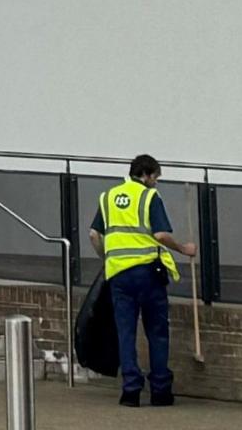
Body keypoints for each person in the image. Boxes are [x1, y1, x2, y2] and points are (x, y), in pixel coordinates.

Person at [89, 154, 194, 407]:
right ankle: (160, 391)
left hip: (119, 276)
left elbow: (94, 234)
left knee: (125, 333)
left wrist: (108, 257)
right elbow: (160, 234)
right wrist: (183, 248)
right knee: (157, 332)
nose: (156, 183)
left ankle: (131, 391)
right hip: (147, 274)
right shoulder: (149, 197)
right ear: (146, 175)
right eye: (155, 178)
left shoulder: (108, 197)